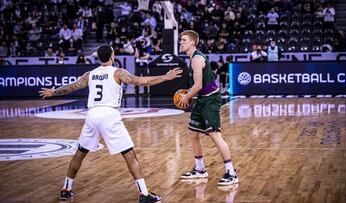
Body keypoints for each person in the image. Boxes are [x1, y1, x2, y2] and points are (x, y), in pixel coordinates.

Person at [39, 45, 182, 202]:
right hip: (109, 114)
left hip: (92, 115)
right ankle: (144, 194)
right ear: (112, 56)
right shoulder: (118, 72)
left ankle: (66, 188)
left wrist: (53, 92)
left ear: (99, 57)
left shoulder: (90, 74)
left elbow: (72, 87)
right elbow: (140, 81)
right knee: (129, 155)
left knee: (80, 153)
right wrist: (164, 77)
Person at [177, 30, 238, 186]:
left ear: (192, 42)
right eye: (181, 40)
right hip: (203, 99)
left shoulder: (197, 59)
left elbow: (198, 86)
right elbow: (197, 86)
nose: (181, 42)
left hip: (210, 100)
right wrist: (189, 94)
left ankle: (231, 172)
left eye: (184, 40)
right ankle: (200, 169)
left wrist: (186, 97)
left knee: (215, 135)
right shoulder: (193, 58)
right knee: (192, 132)